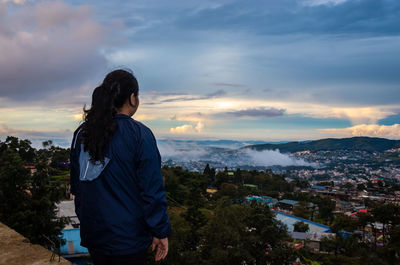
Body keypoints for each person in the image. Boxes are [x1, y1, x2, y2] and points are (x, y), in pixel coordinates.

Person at [69, 69, 171, 265]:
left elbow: (77, 186)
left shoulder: (82, 133)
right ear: (133, 98)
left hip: (95, 235)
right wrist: (160, 231)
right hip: (129, 240)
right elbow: (152, 191)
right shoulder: (139, 134)